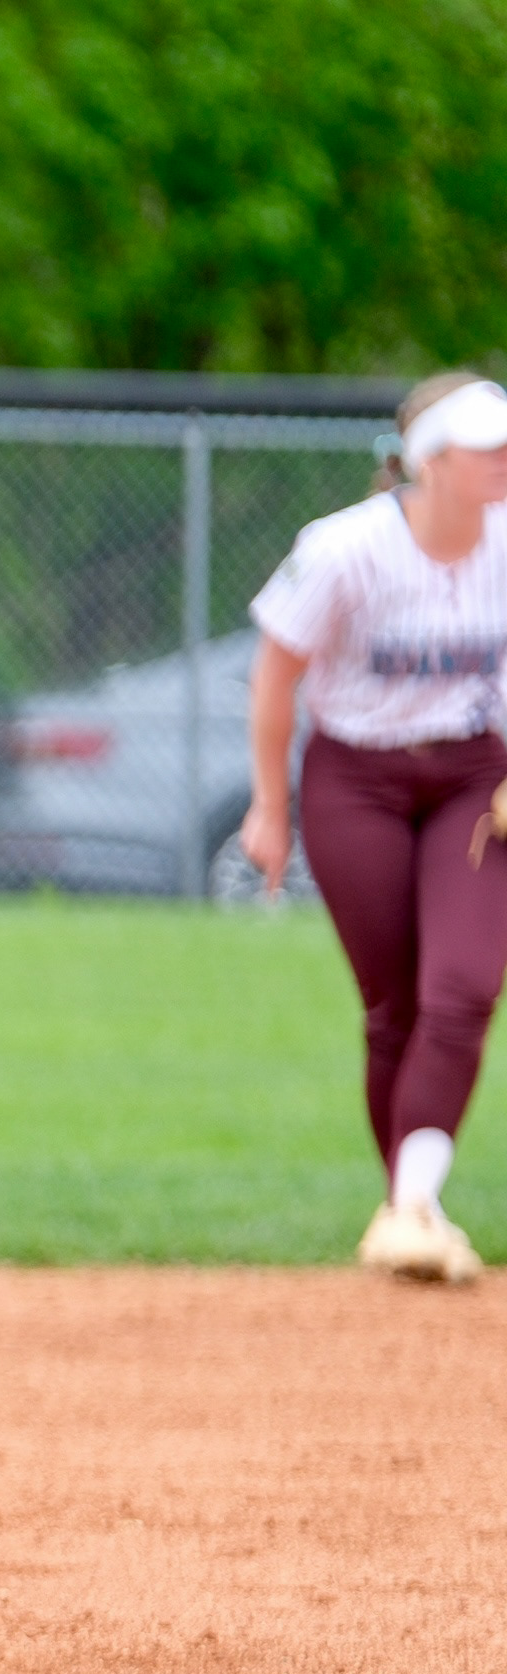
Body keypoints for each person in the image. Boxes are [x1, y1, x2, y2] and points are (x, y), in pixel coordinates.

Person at [243, 370, 507, 1282]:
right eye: (485, 447)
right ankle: (410, 1211)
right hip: (356, 778)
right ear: (431, 461)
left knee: (463, 987)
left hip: (473, 778)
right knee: (394, 1006)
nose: (503, 460)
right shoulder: (345, 549)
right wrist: (268, 808)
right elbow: (276, 676)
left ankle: (413, 1207)